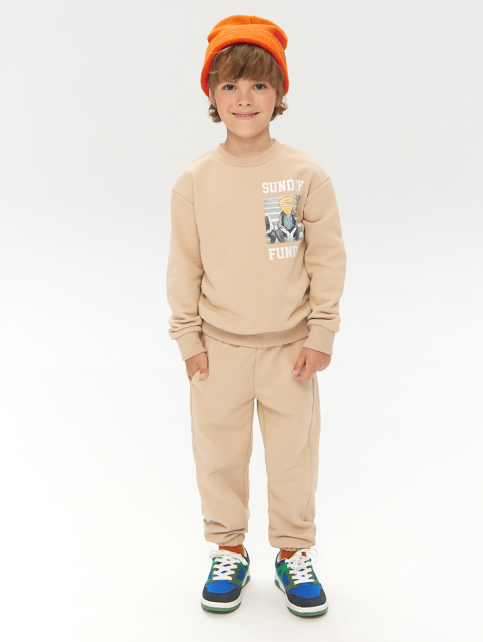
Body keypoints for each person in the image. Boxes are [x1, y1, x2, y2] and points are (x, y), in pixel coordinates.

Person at [166, 14, 347, 617]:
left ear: (279, 93)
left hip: (290, 350)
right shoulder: (196, 180)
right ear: (212, 95)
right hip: (218, 350)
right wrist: (188, 339)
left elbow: (326, 258)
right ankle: (229, 549)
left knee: (293, 456)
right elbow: (184, 266)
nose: (245, 99)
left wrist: (322, 332)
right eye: (231, 86)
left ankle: (294, 552)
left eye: (259, 85)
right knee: (218, 455)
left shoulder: (303, 175)